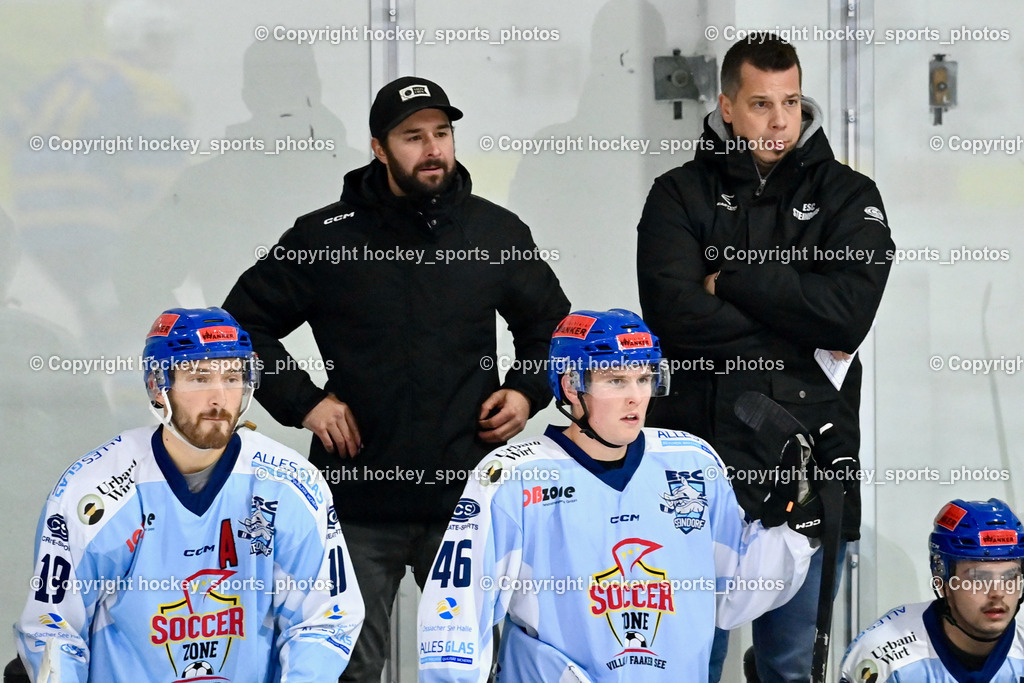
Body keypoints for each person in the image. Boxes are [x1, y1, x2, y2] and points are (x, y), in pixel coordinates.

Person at [222, 76, 570, 681]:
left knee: (471, 671)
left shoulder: (494, 233)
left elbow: (554, 328)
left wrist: (525, 390)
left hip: (465, 498)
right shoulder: (325, 238)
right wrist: (305, 404)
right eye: (413, 137)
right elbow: (238, 329)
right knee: (344, 671)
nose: (433, 148)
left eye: (442, 133)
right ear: (379, 148)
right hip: (357, 500)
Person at [636, 33, 895, 682]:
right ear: (727, 107)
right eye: (760, 104)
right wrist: (795, 319)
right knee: (686, 662)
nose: (780, 121)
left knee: (790, 666)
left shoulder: (848, 195)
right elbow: (674, 318)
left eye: (791, 102)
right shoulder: (677, 196)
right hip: (693, 470)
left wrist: (734, 278)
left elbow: (848, 316)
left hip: (808, 469)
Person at [418, 309, 821, 682]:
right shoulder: (511, 476)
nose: (635, 397)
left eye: (644, 378)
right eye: (615, 380)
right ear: (571, 386)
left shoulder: (692, 462)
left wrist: (795, 532)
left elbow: (733, 594)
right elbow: (456, 615)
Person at [14, 307, 363, 681]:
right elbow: (54, 628)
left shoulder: (289, 485)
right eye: (199, 378)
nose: (219, 398)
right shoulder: (95, 491)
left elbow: (324, 619)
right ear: (157, 386)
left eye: (232, 377)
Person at [840, 498, 1024, 681]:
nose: (998, 593)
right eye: (978, 578)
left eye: (1010, 577)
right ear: (941, 581)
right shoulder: (883, 657)